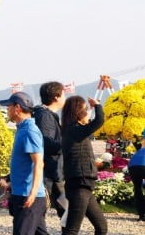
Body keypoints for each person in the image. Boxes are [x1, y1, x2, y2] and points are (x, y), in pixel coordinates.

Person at [0, 92, 48, 235]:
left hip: (28, 196)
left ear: (17, 108)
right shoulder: (22, 129)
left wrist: (33, 192)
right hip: (23, 193)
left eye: (8, 106)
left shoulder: (29, 131)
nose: (7, 109)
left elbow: (39, 163)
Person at [61, 96, 107, 235]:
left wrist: (96, 164)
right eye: (86, 109)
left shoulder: (75, 131)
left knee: (101, 227)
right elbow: (99, 121)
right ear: (78, 113)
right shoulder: (74, 130)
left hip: (84, 184)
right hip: (79, 184)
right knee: (71, 230)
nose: (89, 113)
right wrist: (98, 106)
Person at [33, 81, 66, 218]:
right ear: (56, 97)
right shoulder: (45, 115)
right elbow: (46, 143)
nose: (65, 98)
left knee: (64, 211)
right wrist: (67, 144)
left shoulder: (47, 114)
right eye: (63, 94)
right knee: (61, 210)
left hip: (53, 170)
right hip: (50, 171)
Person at [128, 129, 145, 221]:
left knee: (138, 189)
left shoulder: (142, 141)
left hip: (133, 165)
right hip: (144, 164)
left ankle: (141, 215)